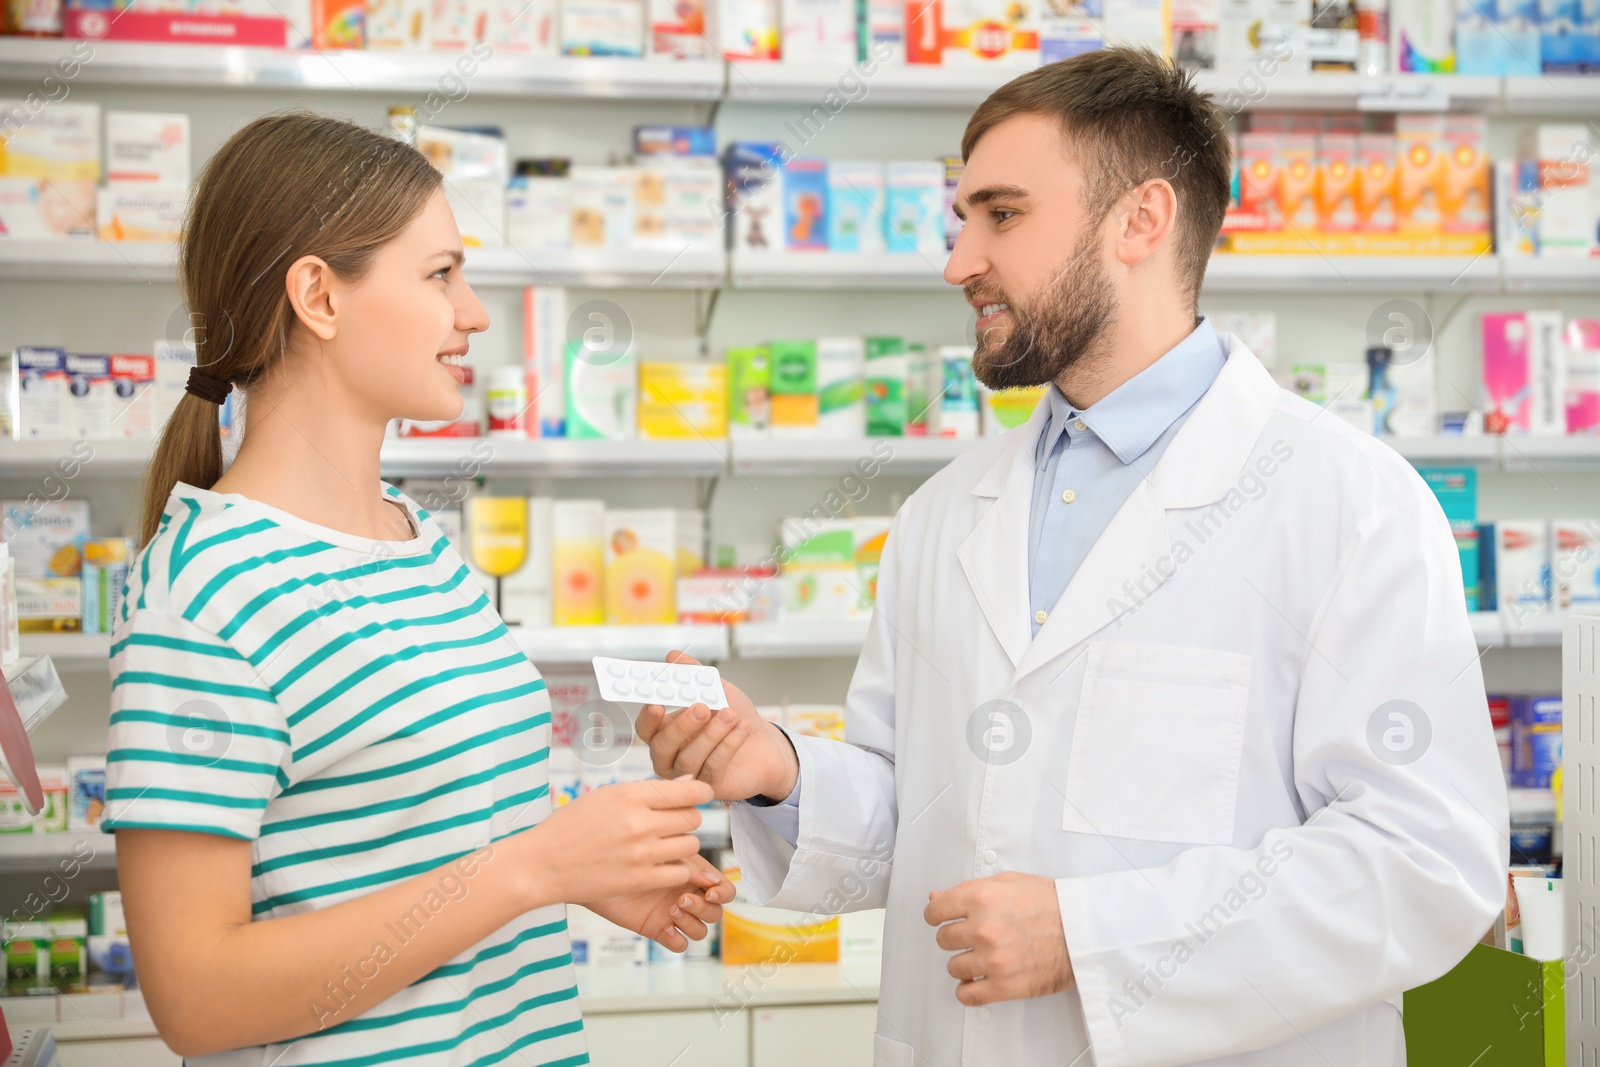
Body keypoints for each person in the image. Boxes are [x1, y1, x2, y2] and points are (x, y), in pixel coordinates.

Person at [639, 48, 1507, 1067]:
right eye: (961, 218)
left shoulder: (1345, 501)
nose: (958, 259)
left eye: (1000, 215)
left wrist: (1092, 937)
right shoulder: (943, 514)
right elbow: (925, 808)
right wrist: (777, 772)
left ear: (1141, 221)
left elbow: (1424, 859)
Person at [106, 111, 726, 1065]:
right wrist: (531, 869)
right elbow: (195, 997)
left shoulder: (416, 539)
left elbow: (440, 853)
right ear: (318, 294)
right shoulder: (205, 592)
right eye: (441, 275)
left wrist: (583, 875)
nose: (473, 312)